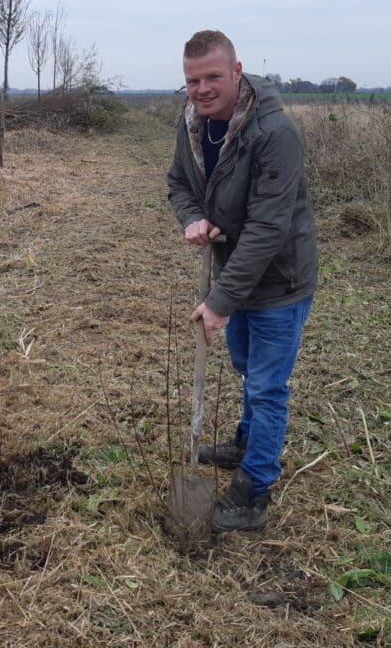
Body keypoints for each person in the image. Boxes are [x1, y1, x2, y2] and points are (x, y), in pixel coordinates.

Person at [167, 31, 318, 532]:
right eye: (193, 80)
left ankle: (254, 488)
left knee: (267, 387)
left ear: (237, 71)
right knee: (244, 365)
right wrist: (193, 217)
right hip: (234, 271)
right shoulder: (191, 124)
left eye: (213, 76)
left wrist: (219, 301)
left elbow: (268, 227)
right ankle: (247, 441)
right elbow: (180, 184)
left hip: (278, 281)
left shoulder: (274, 134)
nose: (202, 89)